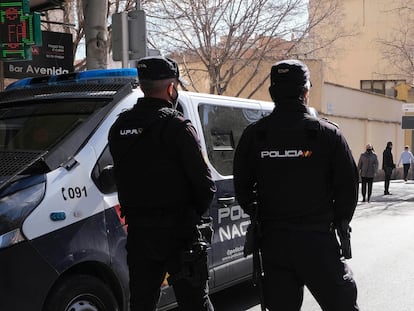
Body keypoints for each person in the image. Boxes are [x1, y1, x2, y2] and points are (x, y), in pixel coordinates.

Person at [234, 59, 360, 311]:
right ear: (305, 92)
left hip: (274, 242)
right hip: (317, 241)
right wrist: (337, 219)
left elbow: (242, 187)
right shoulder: (328, 134)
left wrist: (260, 213)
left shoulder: (255, 135)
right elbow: (348, 187)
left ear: (272, 93)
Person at [108, 56, 216, 311]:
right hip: (179, 234)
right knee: (195, 303)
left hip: (140, 234)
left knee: (142, 303)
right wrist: (189, 217)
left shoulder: (119, 126)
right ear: (171, 88)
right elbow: (205, 186)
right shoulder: (177, 126)